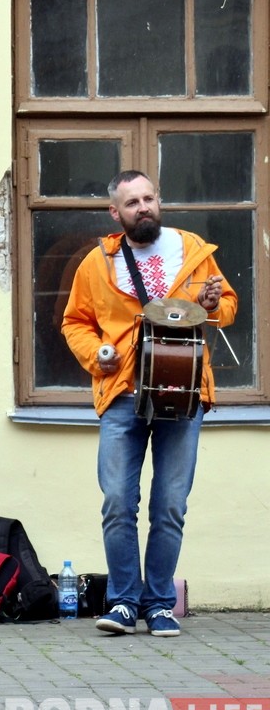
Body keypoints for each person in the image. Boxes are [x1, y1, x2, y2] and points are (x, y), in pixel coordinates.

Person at [61, 170, 236, 638]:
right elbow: (74, 321)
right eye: (132, 202)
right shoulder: (97, 263)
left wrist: (215, 302)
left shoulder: (193, 250)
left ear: (159, 201)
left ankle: (159, 603)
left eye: (149, 198)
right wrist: (97, 356)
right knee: (118, 501)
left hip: (184, 390)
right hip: (122, 391)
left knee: (171, 505)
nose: (144, 208)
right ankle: (122, 602)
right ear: (115, 213)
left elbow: (227, 307)